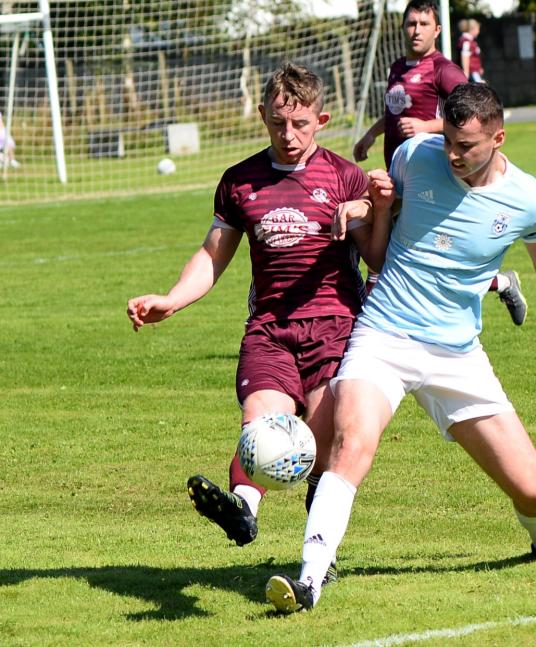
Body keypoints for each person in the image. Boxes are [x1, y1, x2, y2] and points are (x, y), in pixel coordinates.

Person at [265, 83, 536, 614]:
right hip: (383, 335)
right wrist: (366, 204)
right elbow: (384, 201)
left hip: (457, 354)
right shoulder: (417, 154)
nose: (454, 155)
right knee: (352, 444)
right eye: (450, 141)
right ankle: (309, 579)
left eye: (468, 147)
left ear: (499, 138)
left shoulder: (527, 198)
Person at [126, 63, 385, 583]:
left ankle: (319, 551)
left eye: (301, 125)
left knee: (320, 444)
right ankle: (243, 509)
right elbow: (213, 255)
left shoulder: (344, 176)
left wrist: (375, 210)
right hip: (269, 329)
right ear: (263, 115)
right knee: (260, 428)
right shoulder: (239, 181)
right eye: (277, 125)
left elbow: (375, 257)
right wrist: (172, 300)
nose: (288, 137)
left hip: (335, 330)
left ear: (322, 119)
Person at [353, 0, 527, 326]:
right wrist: (372, 134)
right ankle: (501, 283)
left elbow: (474, 114)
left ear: (437, 29)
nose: (416, 30)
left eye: (423, 23)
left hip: (432, 176)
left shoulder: (442, 69)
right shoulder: (398, 67)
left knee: (399, 252)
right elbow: (396, 113)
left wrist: (426, 127)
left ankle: (367, 321)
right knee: (408, 255)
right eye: (410, 23)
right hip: (400, 174)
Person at [457, 18, 484, 83]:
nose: (479, 31)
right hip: (472, 73)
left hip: (474, 72)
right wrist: (466, 73)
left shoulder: (471, 42)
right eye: (478, 29)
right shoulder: (466, 42)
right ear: (472, 29)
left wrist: (479, 68)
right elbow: (465, 57)